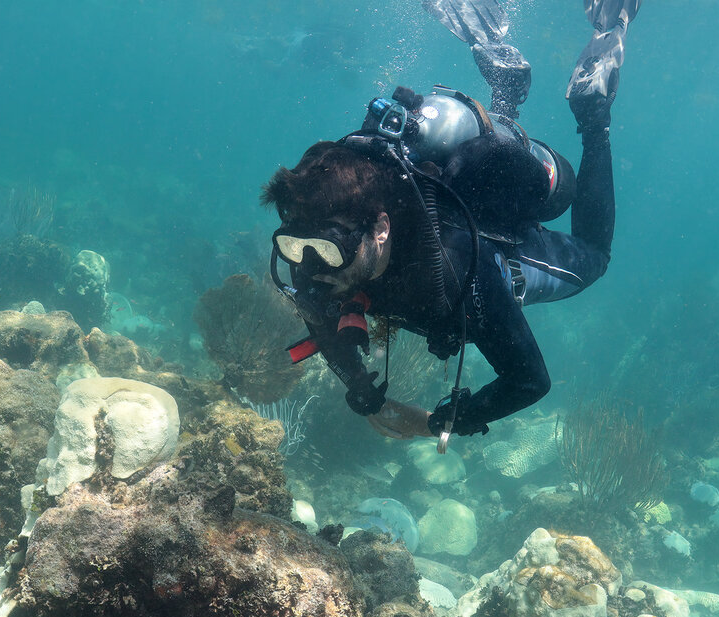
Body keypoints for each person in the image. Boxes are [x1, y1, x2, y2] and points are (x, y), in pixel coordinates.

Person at [261, 0, 640, 447]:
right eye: (292, 247)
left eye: (331, 250)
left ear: (380, 229)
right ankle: (504, 92)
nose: (311, 267)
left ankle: (593, 117)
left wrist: (436, 422)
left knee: (594, 259)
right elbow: (323, 327)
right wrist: (363, 391)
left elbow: (529, 380)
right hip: (451, 188)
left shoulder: (459, 269)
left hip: (489, 231)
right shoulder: (308, 243)